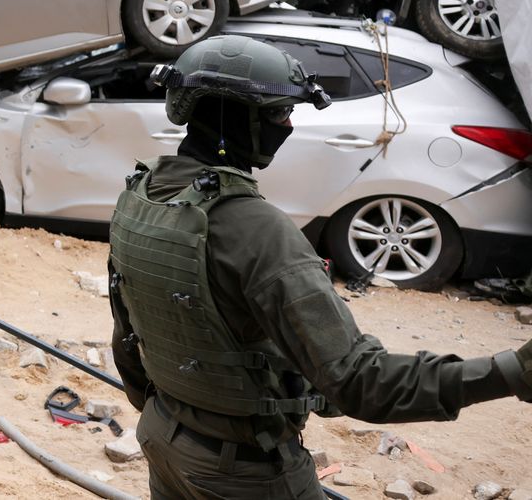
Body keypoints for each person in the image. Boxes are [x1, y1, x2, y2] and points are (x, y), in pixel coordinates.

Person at [108, 34, 532, 499]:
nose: (288, 124)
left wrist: (173, 415)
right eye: (277, 112)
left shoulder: (140, 195)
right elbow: (359, 381)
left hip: (163, 439)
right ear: (233, 115)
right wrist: (509, 371)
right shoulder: (257, 229)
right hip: (244, 472)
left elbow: (128, 339)